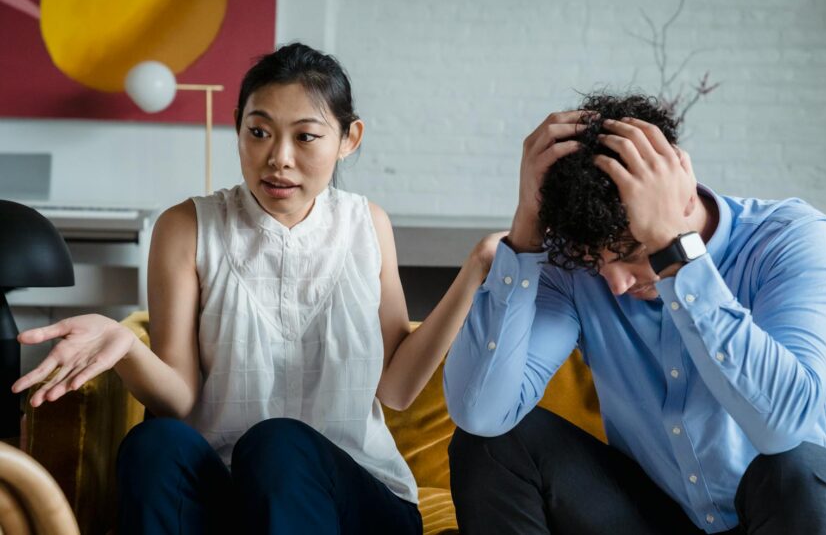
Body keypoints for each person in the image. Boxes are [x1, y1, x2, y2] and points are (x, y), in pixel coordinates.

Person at [13, 43, 500, 535]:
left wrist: (476, 268)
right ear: (238, 126)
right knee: (154, 442)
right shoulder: (187, 227)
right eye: (259, 132)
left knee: (278, 443)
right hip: (229, 493)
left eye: (306, 137)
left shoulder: (367, 225)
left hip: (353, 498)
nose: (278, 159)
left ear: (350, 138)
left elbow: (396, 389)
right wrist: (124, 348)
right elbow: (181, 403)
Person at [443, 93, 826, 534]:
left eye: (633, 253)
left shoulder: (791, 238)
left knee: (794, 469)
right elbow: (481, 412)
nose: (615, 284)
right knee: (492, 443)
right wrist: (526, 234)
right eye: (595, 262)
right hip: (659, 517)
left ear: (684, 198)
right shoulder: (574, 269)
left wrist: (677, 255)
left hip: (788, 514)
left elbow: (784, 429)